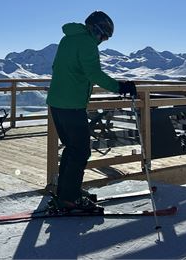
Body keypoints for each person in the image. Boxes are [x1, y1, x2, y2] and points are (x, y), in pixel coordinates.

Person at [46, 11, 137, 211]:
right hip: (71, 105)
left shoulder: (67, 39)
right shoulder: (86, 43)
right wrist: (120, 87)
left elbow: (58, 67)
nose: (103, 41)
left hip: (56, 103)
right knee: (80, 151)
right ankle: (70, 199)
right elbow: (93, 73)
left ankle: (67, 192)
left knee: (72, 149)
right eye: (104, 36)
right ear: (95, 29)